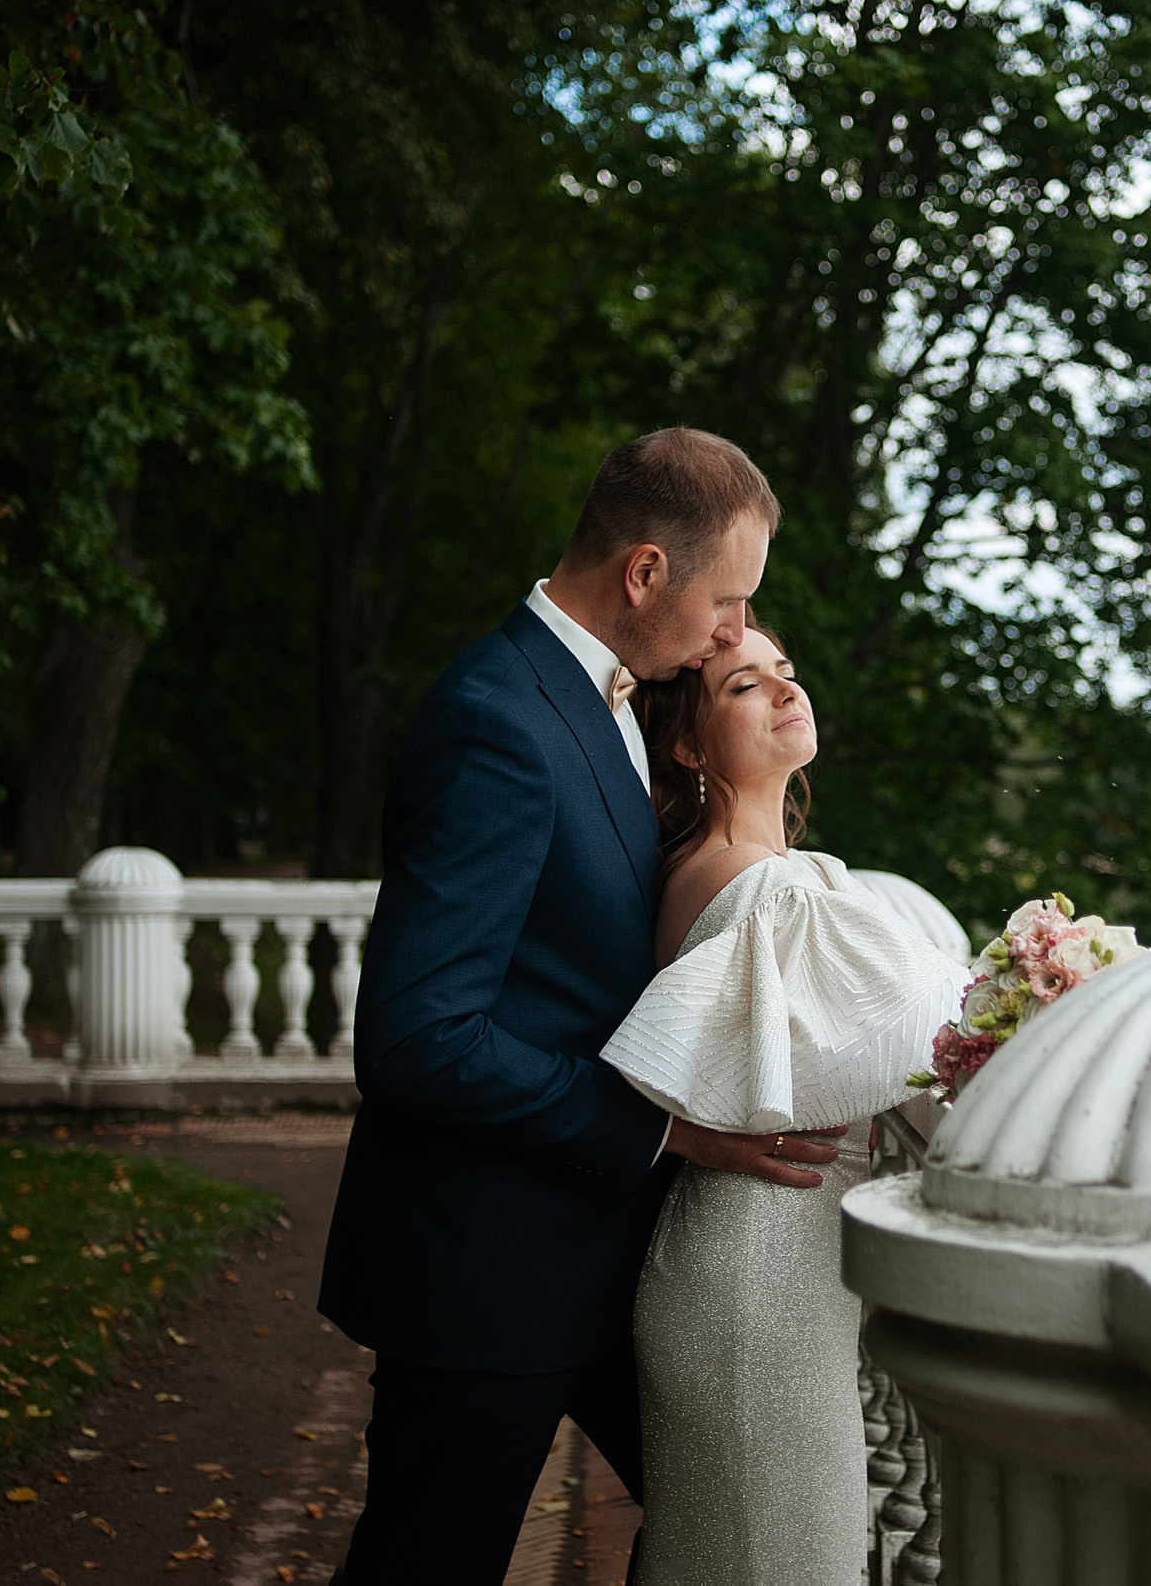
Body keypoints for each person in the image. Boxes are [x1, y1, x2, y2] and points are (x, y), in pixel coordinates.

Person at [320, 428, 849, 1585]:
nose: (733, 634)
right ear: (645, 572)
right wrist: (662, 1129)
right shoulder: (493, 721)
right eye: (727, 603)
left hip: (614, 1257)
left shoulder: (615, 702)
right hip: (487, 1267)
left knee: (751, 1524)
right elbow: (417, 1037)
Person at [603, 618, 967, 1586]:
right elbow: (937, 1053)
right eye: (743, 686)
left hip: (770, 1280)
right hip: (753, 1298)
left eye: (786, 673)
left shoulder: (781, 878)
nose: (783, 691)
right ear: (685, 743)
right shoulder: (761, 888)